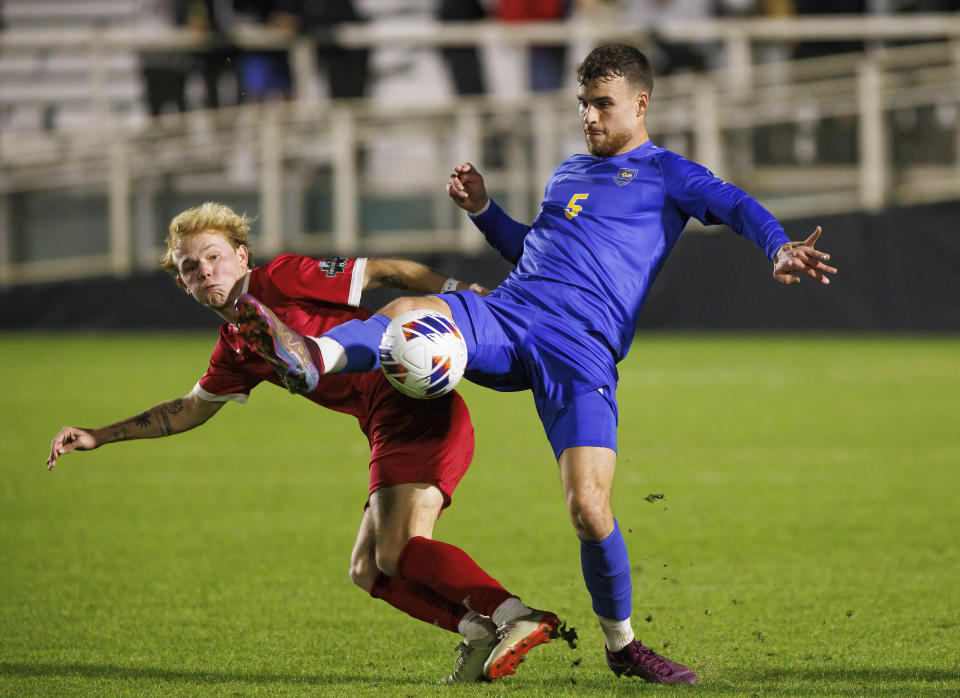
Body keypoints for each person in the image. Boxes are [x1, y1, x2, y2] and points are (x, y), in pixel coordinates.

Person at [234, 43, 838, 685]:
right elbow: (533, 253)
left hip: (582, 349)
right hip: (512, 314)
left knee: (588, 508)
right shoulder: (568, 172)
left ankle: (623, 646)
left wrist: (777, 246)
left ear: (640, 103)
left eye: (602, 104)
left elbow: (737, 205)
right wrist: (485, 214)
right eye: (582, 103)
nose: (589, 116)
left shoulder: (669, 174)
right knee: (414, 308)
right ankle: (311, 357)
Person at [45, 202, 562, 684]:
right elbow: (189, 408)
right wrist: (99, 435)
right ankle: (475, 629)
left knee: (398, 552)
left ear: (241, 257)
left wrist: (459, 290)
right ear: (183, 285)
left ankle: (512, 614)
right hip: (385, 425)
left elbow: (386, 271)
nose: (205, 271)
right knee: (367, 568)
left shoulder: (280, 276)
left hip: (413, 408)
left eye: (214, 257)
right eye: (189, 268)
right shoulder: (234, 349)